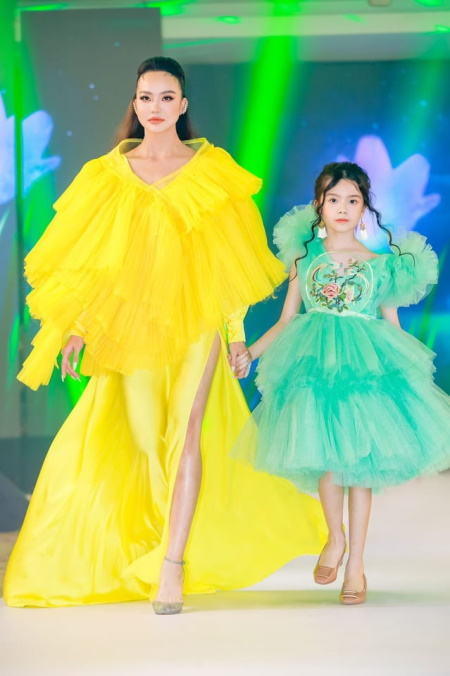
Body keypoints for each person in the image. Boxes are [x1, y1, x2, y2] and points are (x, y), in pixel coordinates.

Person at [4, 57, 327, 614]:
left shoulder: (212, 170)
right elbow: (90, 263)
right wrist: (77, 326)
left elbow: (227, 265)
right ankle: (135, 549)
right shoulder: (106, 175)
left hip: (195, 325)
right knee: (133, 439)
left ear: (183, 105)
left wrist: (234, 335)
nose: (155, 107)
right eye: (146, 97)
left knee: (186, 434)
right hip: (127, 331)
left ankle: (172, 565)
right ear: (135, 104)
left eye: (166, 96)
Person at [233, 161, 450, 605]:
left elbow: (392, 325)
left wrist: (408, 377)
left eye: (353, 200)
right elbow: (286, 319)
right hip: (314, 366)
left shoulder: (382, 265)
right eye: (334, 199)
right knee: (329, 461)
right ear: (319, 204)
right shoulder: (305, 258)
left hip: (364, 370)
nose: (343, 208)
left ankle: (356, 565)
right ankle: (336, 538)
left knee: (359, 469)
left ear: (365, 206)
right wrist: (250, 353)